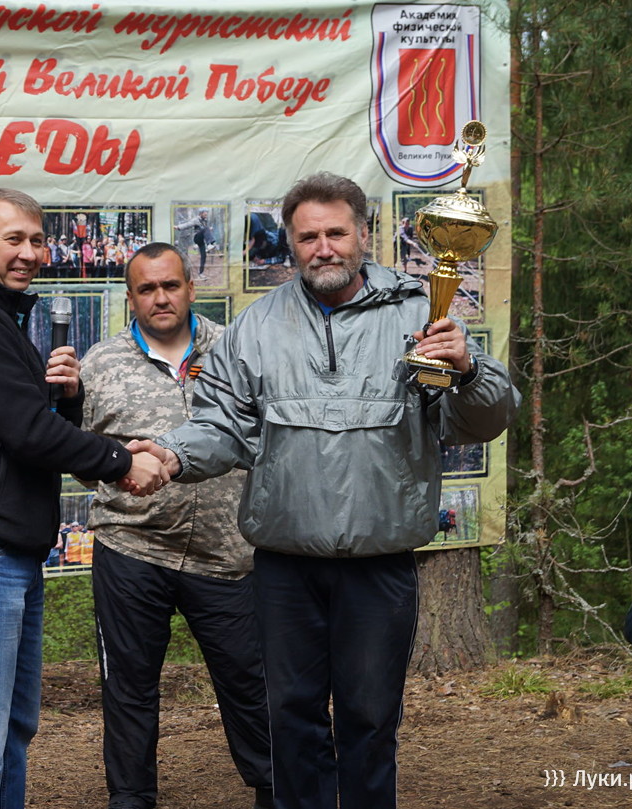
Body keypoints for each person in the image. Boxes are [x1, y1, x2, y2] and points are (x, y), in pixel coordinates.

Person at [136, 173, 520, 809]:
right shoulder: (256, 328)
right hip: (284, 568)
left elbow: (484, 420)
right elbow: (221, 426)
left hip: (379, 565)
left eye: (336, 233)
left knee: (370, 720)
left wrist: (469, 369)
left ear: (364, 234)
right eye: (307, 237)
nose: (323, 248)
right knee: (291, 721)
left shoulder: (424, 315)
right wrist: (171, 454)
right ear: (290, 244)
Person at [0, 187, 168, 809]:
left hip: (6, 550)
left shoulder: (0, 318)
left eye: (37, 240)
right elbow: (26, 432)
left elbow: (29, 427)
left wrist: (69, 399)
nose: (30, 253)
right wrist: (121, 461)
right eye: (14, 240)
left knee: (8, 733)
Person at [78, 242, 271, 809]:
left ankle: (277, 788)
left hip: (227, 555)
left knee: (253, 683)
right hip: (131, 548)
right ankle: (131, 797)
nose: (160, 298)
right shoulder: (99, 363)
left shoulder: (236, 352)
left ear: (190, 287)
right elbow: (80, 454)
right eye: (147, 289)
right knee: (129, 687)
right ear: (131, 297)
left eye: (170, 285)